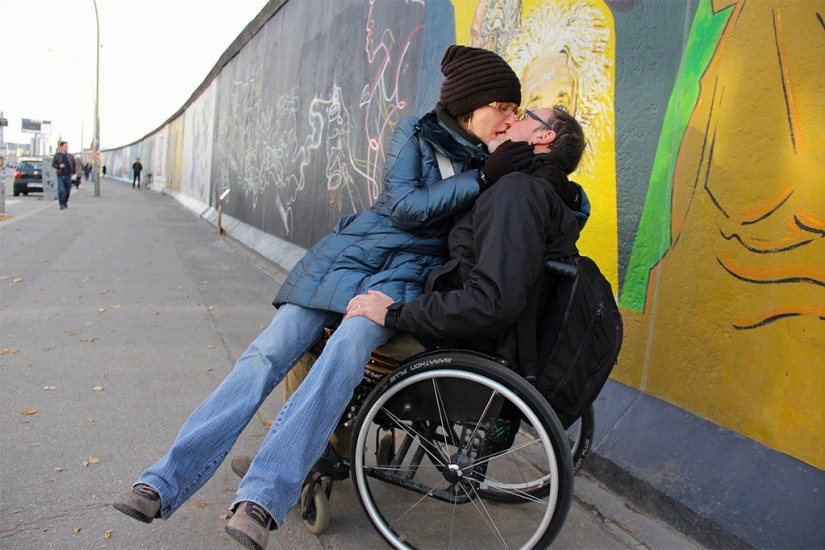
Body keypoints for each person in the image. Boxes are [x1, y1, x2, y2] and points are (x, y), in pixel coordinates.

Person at [114, 45, 539, 550]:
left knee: (346, 351)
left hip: (404, 279)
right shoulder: (417, 134)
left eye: (516, 111)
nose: (511, 118)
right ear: (472, 104)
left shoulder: (499, 159)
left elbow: (535, 207)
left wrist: (503, 169)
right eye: (504, 108)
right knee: (268, 353)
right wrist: (484, 176)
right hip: (350, 258)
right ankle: (162, 481)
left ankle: (262, 498)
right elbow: (403, 206)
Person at [347, 107, 588, 372]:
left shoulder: (518, 193)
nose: (510, 122)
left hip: (460, 344)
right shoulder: (545, 194)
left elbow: (490, 303)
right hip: (474, 334)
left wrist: (395, 314)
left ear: (544, 136)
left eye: (522, 117)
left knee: (340, 330)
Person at [51, 141, 75, 210]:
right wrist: (59, 166)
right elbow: (53, 164)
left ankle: (65, 202)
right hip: (60, 175)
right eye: (65, 146)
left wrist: (73, 172)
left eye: (67, 146)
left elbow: (73, 165)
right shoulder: (57, 155)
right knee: (61, 190)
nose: (67, 147)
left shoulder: (70, 156)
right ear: (61, 147)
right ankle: (61, 204)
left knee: (68, 190)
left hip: (68, 176)